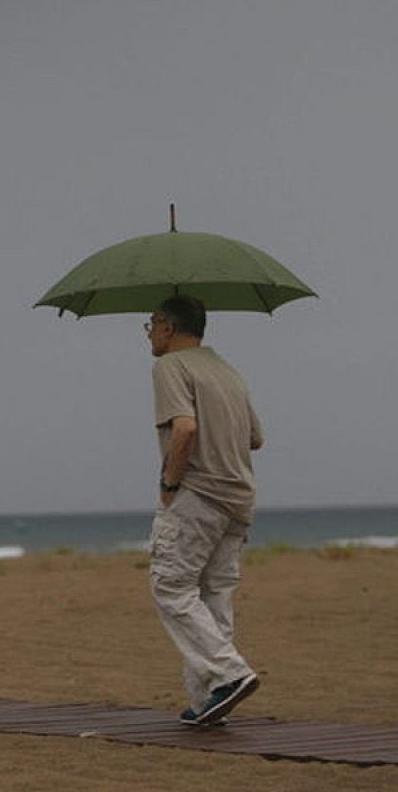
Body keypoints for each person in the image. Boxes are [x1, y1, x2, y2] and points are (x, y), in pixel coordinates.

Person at [145, 294, 263, 726]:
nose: (149, 333)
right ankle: (208, 699)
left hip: (198, 496)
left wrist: (169, 484)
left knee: (171, 588)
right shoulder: (228, 371)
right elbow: (255, 437)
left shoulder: (170, 367)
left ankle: (229, 675)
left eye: (151, 324)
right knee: (214, 595)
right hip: (239, 500)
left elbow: (185, 429)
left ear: (168, 327)